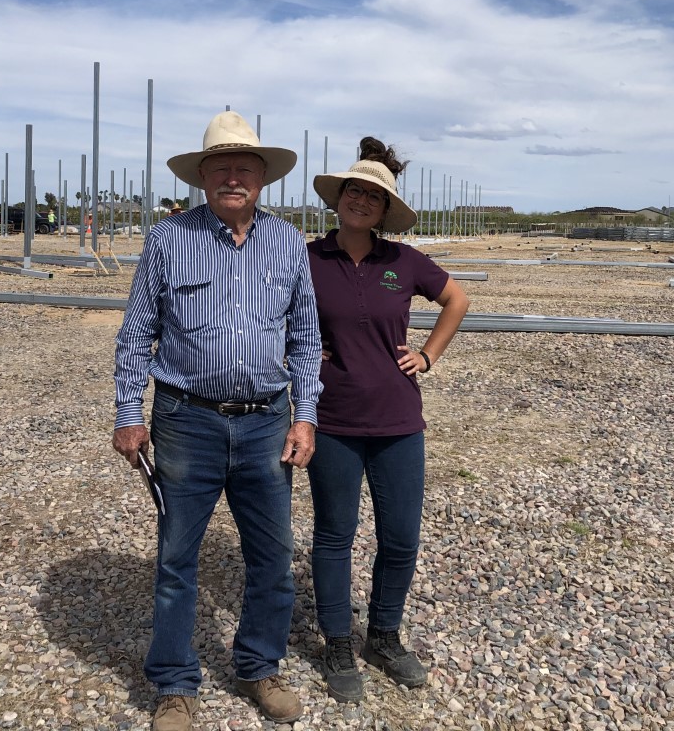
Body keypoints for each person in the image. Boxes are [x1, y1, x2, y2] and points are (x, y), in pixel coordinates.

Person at [113, 111, 323, 731]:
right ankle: (176, 685)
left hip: (265, 423)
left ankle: (260, 668)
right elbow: (137, 335)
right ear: (202, 178)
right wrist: (130, 413)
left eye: (245, 169)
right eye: (222, 168)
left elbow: (306, 337)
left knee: (272, 555)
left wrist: (304, 418)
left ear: (263, 179)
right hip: (186, 421)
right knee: (178, 557)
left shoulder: (287, 243)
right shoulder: (167, 240)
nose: (234, 178)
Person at [305, 137, 470, 702]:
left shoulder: (403, 262)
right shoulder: (306, 258)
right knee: (333, 537)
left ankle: (383, 634)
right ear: (340, 197)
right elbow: (267, 310)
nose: (361, 200)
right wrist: (296, 351)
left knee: (400, 539)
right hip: (331, 420)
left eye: (373, 195)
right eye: (354, 189)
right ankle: (335, 643)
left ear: (384, 209)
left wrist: (427, 354)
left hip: (399, 420)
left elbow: (458, 300)